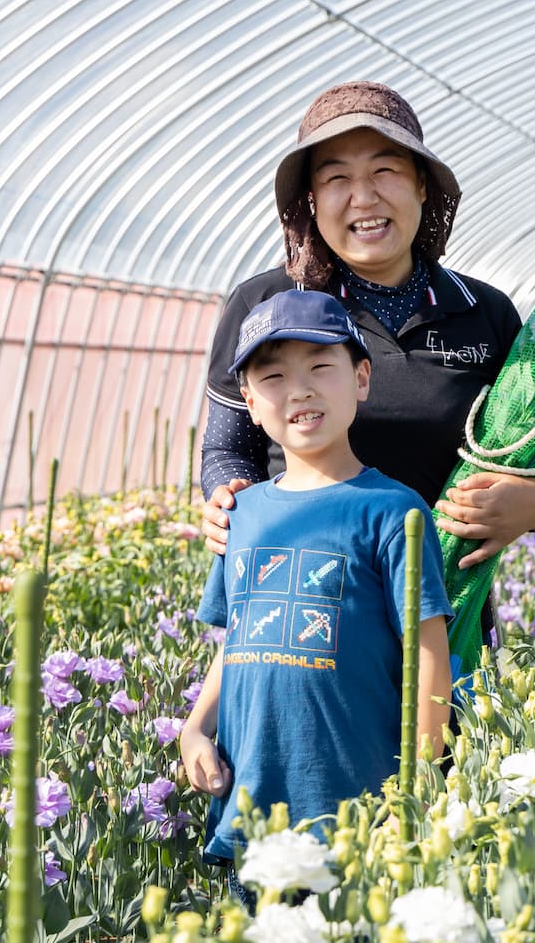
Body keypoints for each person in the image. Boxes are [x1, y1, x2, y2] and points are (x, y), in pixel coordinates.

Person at [197, 82, 535, 597]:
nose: (363, 197)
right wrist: (226, 497)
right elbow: (228, 448)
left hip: (445, 606)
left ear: (422, 185)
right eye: (336, 178)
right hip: (300, 595)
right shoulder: (265, 304)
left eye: (385, 171)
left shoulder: (485, 312)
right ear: (311, 199)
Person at [179, 289, 451, 904]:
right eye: (273, 376)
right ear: (248, 402)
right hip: (252, 811)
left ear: (360, 379)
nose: (298, 390)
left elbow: (428, 652)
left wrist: (418, 789)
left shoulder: (394, 511)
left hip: (359, 818)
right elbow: (241, 637)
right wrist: (196, 728)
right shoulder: (241, 514)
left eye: (319, 368)